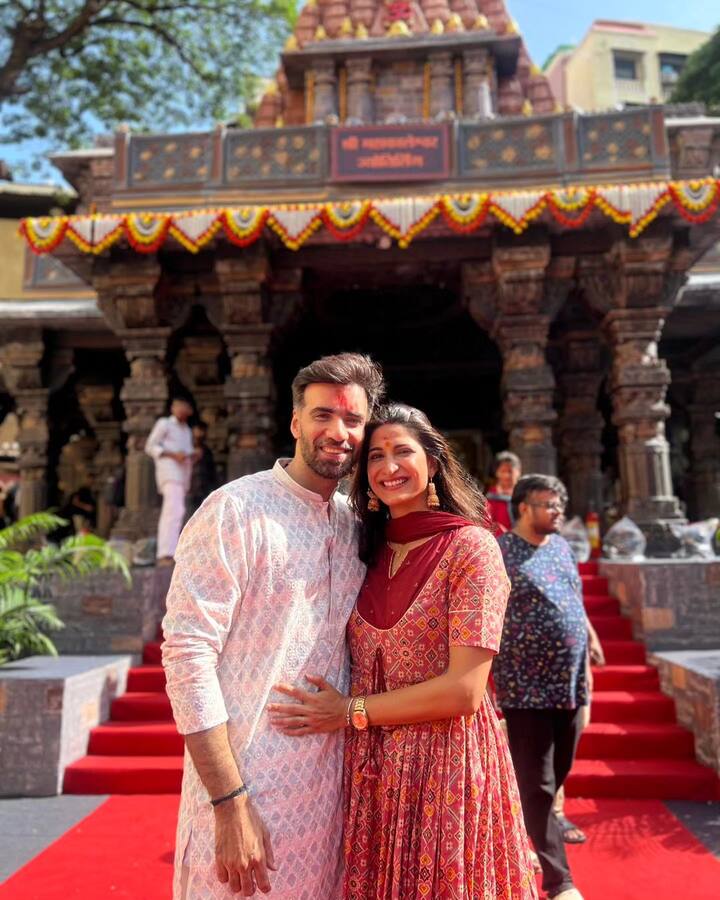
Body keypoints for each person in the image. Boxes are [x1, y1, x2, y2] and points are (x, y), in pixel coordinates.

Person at [269, 403, 538, 900]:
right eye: (374, 456)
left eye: (402, 452)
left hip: (446, 765)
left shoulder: (471, 548)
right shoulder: (364, 548)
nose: (388, 468)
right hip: (372, 773)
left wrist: (347, 712)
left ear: (433, 462)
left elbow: (465, 691)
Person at [161, 353, 385, 900]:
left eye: (353, 420)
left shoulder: (354, 524)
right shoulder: (235, 511)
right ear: (294, 423)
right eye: (322, 415)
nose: (338, 432)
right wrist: (228, 800)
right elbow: (187, 655)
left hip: (327, 795)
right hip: (247, 789)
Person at [493, 474, 604, 900]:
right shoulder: (501, 553)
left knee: (559, 772)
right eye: (548, 504)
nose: (558, 511)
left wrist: (590, 643)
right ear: (523, 507)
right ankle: (561, 882)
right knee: (537, 782)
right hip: (524, 687)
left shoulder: (561, 547)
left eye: (560, 503)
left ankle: (527, 833)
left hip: (570, 681)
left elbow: (574, 599)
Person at [145, 397, 195, 566]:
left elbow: (187, 453)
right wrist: (174, 455)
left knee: (178, 510)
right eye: (179, 405)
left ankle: (172, 551)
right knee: (172, 510)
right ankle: (165, 553)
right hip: (169, 471)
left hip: (182, 474)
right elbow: (150, 446)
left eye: (185, 406)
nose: (182, 409)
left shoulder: (187, 430)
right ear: (173, 408)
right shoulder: (164, 424)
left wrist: (192, 455)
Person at [486, 450, 521, 532]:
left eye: (510, 471)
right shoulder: (490, 499)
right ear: (496, 473)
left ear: (519, 471)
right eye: (503, 471)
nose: (506, 475)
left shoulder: (525, 495)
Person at [188, 421, 218, 514]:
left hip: (203, 486)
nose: (201, 433)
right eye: (199, 430)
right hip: (189, 486)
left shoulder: (206, 450)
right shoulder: (186, 447)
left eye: (203, 430)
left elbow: (211, 470)